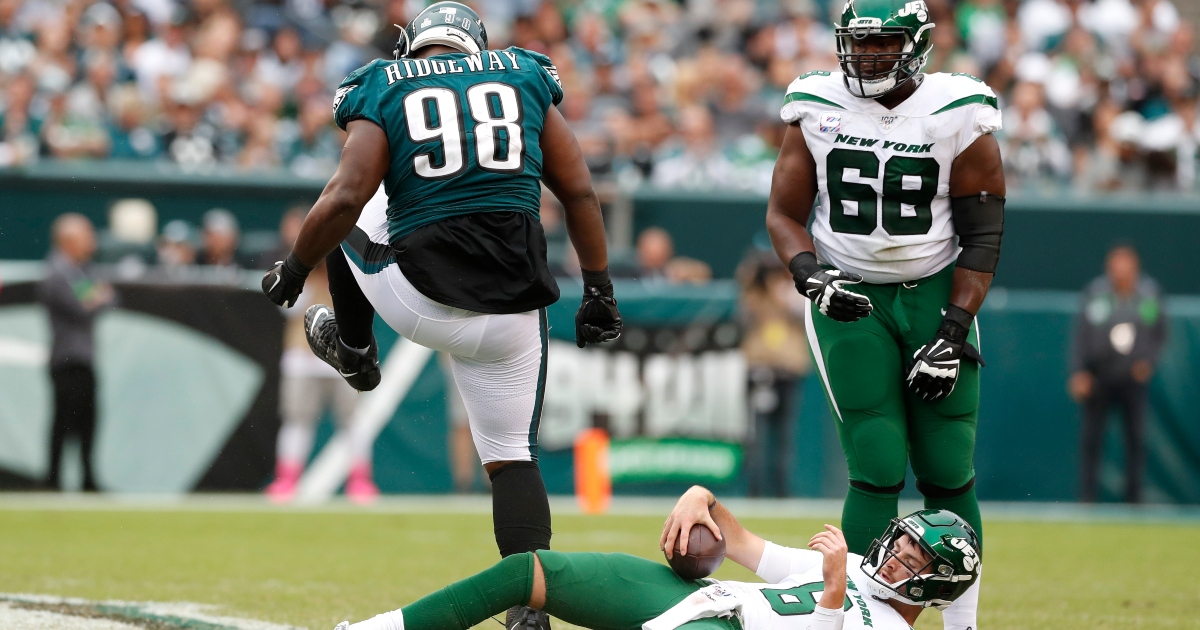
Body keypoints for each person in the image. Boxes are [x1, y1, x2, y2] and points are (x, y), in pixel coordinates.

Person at [259, 4, 623, 629]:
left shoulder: (385, 81)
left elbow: (345, 196)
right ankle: (530, 610)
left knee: (355, 204)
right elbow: (581, 191)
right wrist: (600, 290)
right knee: (511, 458)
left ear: (415, 44)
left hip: (421, 300)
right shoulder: (526, 73)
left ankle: (355, 350)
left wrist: (294, 269)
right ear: (477, 44)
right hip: (516, 313)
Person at [764, 1, 1006, 628]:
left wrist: (953, 331)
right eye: (857, 44)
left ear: (919, 44)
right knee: (875, 464)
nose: (866, 57)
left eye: (884, 44)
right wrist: (812, 277)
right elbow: (784, 213)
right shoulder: (814, 104)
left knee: (948, 469)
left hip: (933, 291)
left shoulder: (959, 109)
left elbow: (984, 234)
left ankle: (962, 622)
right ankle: (865, 620)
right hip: (850, 298)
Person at [333, 485, 981, 630]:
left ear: (937, 586)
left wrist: (835, 598)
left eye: (913, 555)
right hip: (700, 602)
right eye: (900, 540)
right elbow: (743, 545)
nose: (894, 553)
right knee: (530, 570)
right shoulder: (835, 567)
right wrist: (703, 501)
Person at [1069, 245, 1166, 504]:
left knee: (1135, 438)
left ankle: (1134, 497)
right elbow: (1080, 336)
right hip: (1099, 375)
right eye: (1116, 265)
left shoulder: (1148, 295)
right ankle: (1088, 497)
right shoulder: (1096, 293)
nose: (1121, 271)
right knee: (1092, 439)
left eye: (1126, 265)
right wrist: (1080, 372)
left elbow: (1160, 334)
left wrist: (1149, 362)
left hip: (1132, 378)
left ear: (1135, 267)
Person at [37, 213, 115, 491]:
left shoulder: (80, 271)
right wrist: (95, 296)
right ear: (68, 240)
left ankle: (86, 479)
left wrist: (95, 297)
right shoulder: (58, 271)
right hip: (67, 358)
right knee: (64, 422)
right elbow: (83, 305)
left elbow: (107, 297)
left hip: (82, 357)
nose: (91, 242)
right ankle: (53, 479)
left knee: (87, 422)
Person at [737, 251, 810, 498]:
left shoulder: (795, 289)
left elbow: (801, 313)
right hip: (760, 369)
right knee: (757, 433)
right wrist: (753, 278)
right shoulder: (755, 294)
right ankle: (755, 487)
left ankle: (781, 489)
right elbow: (744, 315)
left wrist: (783, 284)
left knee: (784, 435)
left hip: (788, 370)